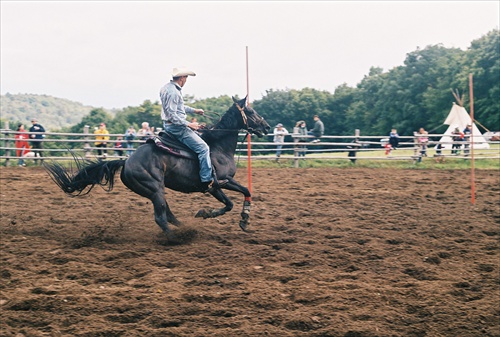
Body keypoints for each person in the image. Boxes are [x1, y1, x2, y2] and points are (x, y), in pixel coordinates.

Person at [159, 67, 227, 191]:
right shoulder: (174, 92)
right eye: (186, 78)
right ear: (181, 78)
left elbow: (179, 107)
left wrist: (194, 110)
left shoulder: (166, 88)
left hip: (170, 125)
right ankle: (207, 180)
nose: (186, 80)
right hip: (177, 128)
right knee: (203, 148)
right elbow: (172, 115)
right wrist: (188, 124)